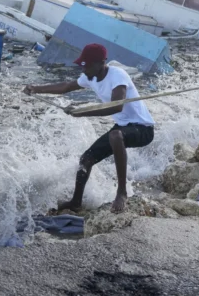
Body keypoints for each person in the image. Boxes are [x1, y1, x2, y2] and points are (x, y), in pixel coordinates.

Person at [24, 44, 155, 213]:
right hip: (123, 127)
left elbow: (117, 106)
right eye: (82, 65)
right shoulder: (90, 77)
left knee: (115, 135)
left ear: (101, 63)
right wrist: (35, 89)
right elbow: (65, 87)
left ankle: (122, 192)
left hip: (143, 129)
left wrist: (83, 112)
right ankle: (76, 202)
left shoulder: (118, 75)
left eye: (87, 65)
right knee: (86, 159)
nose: (83, 69)